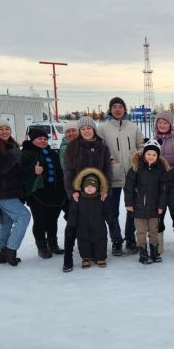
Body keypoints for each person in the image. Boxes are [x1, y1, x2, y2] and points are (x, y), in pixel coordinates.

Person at [62, 116, 112, 271]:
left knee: (98, 226)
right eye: (82, 129)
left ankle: (99, 254)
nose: (86, 131)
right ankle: (74, 256)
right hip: (80, 194)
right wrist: (72, 191)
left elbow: (107, 170)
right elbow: (68, 171)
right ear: (79, 131)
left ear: (94, 129)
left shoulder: (102, 147)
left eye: (88, 128)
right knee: (75, 225)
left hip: (97, 194)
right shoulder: (73, 147)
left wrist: (105, 188)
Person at [97, 97, 145, 255]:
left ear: (125, 109)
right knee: (112, 210)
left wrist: (137, 156)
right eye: (114, 107)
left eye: (120, 106)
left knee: (132, 208)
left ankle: (130, 238)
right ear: (110, 109)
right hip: (113, 175)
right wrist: (108, 159)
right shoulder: (103, 128)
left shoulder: (133, 127)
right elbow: (99, 148)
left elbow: (141, 145)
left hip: (132, 174)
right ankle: (116, 239)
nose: (118, 109)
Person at [0, 119, 31, 266]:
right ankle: (10, 249)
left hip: (12, 191)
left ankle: (1, 253)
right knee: (24, 216)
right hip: (2, 191)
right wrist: (13, 154)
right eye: (1, 129)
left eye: (7, 128)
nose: (5, 131)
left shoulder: (11, 144)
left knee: (7, 221)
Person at [20, 128, 67, 259]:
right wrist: (34, 171)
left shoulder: (53, 153)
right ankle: (42, 246)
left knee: (53, 220)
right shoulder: (27, 153)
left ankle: (53, 244)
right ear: (33, 140)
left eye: (45, 139)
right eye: (39, 139)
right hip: (37, 194)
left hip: (55, 194)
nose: (43, 141)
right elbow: (21, 173)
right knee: (40, 221)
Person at [125, 139, 169, 265]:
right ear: (144, 154)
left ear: (158, 156)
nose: (151, 157)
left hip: (154, 207)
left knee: (153, 230)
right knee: (141, 231)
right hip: (138, 207)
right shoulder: (136, 168)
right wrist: (129, 203)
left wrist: (161, 206)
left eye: (154, 155)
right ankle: (143, 251)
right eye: (148, 154)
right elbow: (129, 187)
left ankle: (154, 251)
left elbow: (163, 189)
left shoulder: (160, 169)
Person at [67, 168, 115, 269]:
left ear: (97, 187)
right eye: (87, 186)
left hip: (99, 227)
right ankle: (86, 258)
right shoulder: (78, 199)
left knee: (100, 242)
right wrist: (71, 225)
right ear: (83, 186)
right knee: (84, 242)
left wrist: (111, 222)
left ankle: (100, 257)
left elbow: (107, 212)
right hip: (82, 227)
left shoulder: (101, 199)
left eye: (92, 186)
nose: (89, 188)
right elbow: (73, 213)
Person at [154, 111, 174, 253]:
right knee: (158, 213)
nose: (162, 125)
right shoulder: (154, 139)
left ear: (171, 124)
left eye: (165, 122)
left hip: (173, 182)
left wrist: (170, 168)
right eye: (160, 122)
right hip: (158, 183)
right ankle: (158, 246)